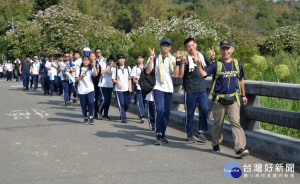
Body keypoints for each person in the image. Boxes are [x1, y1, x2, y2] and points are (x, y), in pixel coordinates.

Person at [196, 39, 249, 159]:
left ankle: (239, 148)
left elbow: (241, 79)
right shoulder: (216, 65)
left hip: (233, 99)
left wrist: (243, 95)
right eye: (223, 49)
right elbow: (203, 74)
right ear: (220, 50)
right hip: (219, 100)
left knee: (235, 122)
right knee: (218, 123)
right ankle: (215, 144)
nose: (225, 51)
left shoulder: (237, 64)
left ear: (232, 49)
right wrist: (199, 64)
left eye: (227, 48)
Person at [145, 38, 180, 145]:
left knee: (166, 113)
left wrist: (178, 63)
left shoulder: (172, 59)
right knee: (160, 110)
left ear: (170, 47)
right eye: (163, 45)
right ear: (160, 46)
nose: (165, 47)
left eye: (167, 45)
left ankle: (163, 133)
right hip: (157, 88)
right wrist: (151, 59)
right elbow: (148, 71)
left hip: (169, 89)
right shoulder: (155, 58)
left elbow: (176, 75)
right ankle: (158, 134)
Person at [178, 37, 211, 143]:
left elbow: (209, 69)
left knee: (205, 109)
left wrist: (213, 58)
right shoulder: (186, 59)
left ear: (196, 45)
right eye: (188, 46)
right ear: (186, 48)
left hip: (201, 89)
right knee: (190, 113)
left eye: (192, 45)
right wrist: (182, 63)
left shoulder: (202, 56)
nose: (191, 48)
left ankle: (200, 131)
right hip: (190, 90)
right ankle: (189, 134)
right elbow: (181, 74)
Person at [75, 56, 98, 125]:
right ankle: (85, 117)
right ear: (82, 61)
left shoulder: (91, 68)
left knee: (91, 102)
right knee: (83, 105)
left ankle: (91, 117)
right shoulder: (79, 68)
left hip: (90, 89)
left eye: (88, 60)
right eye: (84, 60)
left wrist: (94, 66)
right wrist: (81, 76)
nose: (86, 61)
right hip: (82, 89)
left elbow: (96, 74)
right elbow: (76, 79)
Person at [112, 54, 132, 123]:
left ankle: (122, 113)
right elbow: (113, 79)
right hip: (119, 89)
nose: (122, 60)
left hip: (127, 89)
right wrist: (118, 83)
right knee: (121, 103)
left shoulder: (128, 68)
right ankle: (123, 117)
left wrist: (130, 86)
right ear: (118, 60)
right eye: (120, 59)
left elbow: (129, 79)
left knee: (127, 103)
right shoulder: (116, 69)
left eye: (123, 58)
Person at [98, 54, 116, 120]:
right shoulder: (104, 64)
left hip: (110, 85)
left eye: (114, 61)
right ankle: (99, 111)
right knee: (104, 99)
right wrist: (109, 66)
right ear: (110, 59)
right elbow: (102, 72)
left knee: (108, 100)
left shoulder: (114, 66)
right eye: (112, 61)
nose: (113, 62)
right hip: (103, 84)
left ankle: (105, 115)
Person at [131, 54, 146, 123]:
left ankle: (141, 113)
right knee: (140, 101)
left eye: (141, 58)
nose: (139, 59)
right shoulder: (135, 68)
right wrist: (137, 82)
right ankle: (142, 115)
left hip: (145, 87)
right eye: (138, 58)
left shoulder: (146, 67)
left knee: (143, 101)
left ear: (143, 59)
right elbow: (133, 78)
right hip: (138, 87)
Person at [95, 48, 107, 119]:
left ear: (101, 52)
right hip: (96, 79)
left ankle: (102, 112)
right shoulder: (95, 60)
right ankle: (96, 112)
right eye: (97, 52)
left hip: (103, 80)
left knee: (103, 98)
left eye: (99, 52)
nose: (98, 53)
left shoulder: (104, 60)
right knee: (96, 97)